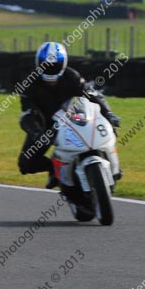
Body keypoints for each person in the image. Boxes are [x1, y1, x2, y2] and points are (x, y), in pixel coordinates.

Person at [18, 41, 121, 189]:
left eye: (55, 66)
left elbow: (93, 95)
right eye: (46, 66)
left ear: (64, 64)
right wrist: (36, 133)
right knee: (26, 164)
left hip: (74, 119)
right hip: (46, 125)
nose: (51, 70)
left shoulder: (72, 76)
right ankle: (55, 169)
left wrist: (109, 113)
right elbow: (27, 114)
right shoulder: (29, 83)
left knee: (109, 128)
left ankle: (114, 166)